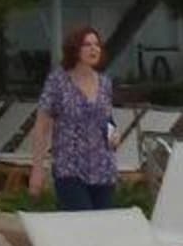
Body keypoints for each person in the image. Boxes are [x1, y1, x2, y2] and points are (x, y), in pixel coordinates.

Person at [28, 25, 119, 211]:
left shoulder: (105, 83)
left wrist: (114, 134)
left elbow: (107, 119)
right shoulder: (58, 82)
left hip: (103, 169)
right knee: (81, 221)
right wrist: (37, 169)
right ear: (74, 49)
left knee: (103, 225)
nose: (94, 49)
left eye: (96, 45)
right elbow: (41, 127)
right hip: (69, 168)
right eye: (87, 45)